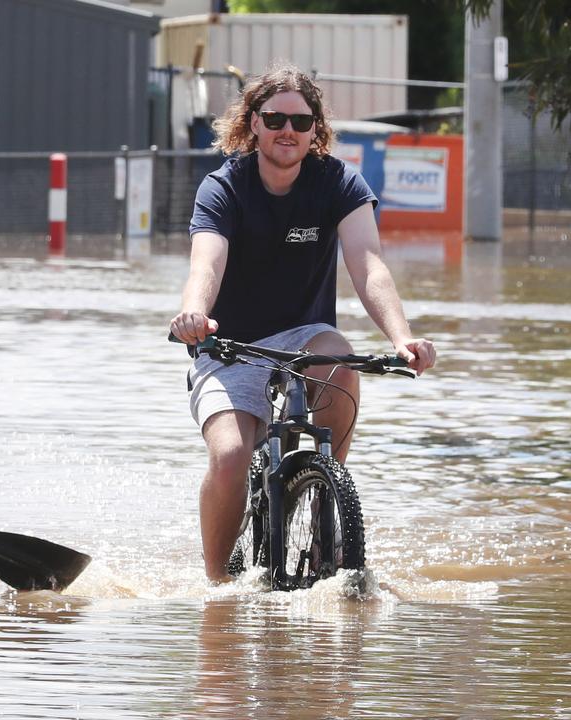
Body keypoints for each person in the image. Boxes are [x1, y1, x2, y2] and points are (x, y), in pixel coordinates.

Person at [167, 63, 436, 582]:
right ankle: (218, 586)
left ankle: (324, 506)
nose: (287, 130)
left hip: (304, 336)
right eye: (274, 118)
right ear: (253, 124)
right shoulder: (224, 186)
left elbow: (368, 263)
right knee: (229, 459)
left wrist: (402, 337)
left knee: (341, 362)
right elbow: (207, 261)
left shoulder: (338, 182)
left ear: (317, 129)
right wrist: (195, 313)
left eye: (300, 120)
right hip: (228, 345)